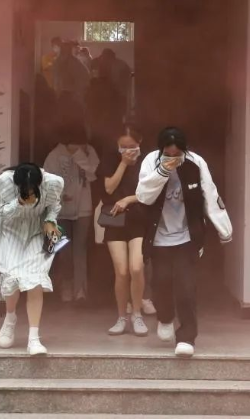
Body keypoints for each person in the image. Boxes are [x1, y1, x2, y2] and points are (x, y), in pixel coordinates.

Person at [136, 127, 233, 357]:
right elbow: (143, 196)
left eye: (177, 154)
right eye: (168, 154)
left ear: (184, 150)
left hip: (187, 238)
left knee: (186, 288)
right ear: (161, 150)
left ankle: (187, 337)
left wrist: (224, 230)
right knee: (160, 283)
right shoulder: (151, 161)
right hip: (159, 238)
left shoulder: (196, 163)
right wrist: (162, 171)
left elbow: (210, 194)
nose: (172, 158)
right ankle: (165, 317)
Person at [0, 163, 64, 356]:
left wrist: (50, 221)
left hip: (36, 232)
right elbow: (3, 214)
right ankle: (10, 319)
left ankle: (34, 339)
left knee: (35, 281)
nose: (30, 191)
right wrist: (19, 203)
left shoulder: (52, 182)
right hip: (11, 232)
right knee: (12, 278)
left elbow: (54, 207)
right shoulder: (5, 182)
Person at [98, 125, 156, 336]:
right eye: (123, 146)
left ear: (140, 144)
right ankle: (122, 316)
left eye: (131, 146)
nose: (128, 150)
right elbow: (108, 188)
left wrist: (129, 199)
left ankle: (137, 315)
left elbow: (152, 191)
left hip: (139, 219)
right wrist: (123, 163)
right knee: (121, 271)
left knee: (137, 268)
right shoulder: (110, 160)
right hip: (115, 220)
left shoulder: (148, 162)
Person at [44, 123, 100, 303]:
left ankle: (81, 290)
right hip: (60, 211)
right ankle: (66, 287)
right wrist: (60, 196)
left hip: (83, 208)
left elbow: (93, 173)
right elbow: (47, 182)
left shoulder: (88, 151)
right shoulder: (54, 155)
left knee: (80, 250)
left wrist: (79, 155)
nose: (77, 147)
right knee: (63, 250)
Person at [53, 41, 90, 107]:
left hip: (75, 95)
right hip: (63, 95)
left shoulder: (75, 62)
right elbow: (56, 80)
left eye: (67, 50)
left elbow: (84, 78)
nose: (65, 52)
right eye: (64, 49)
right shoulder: (57, 62)